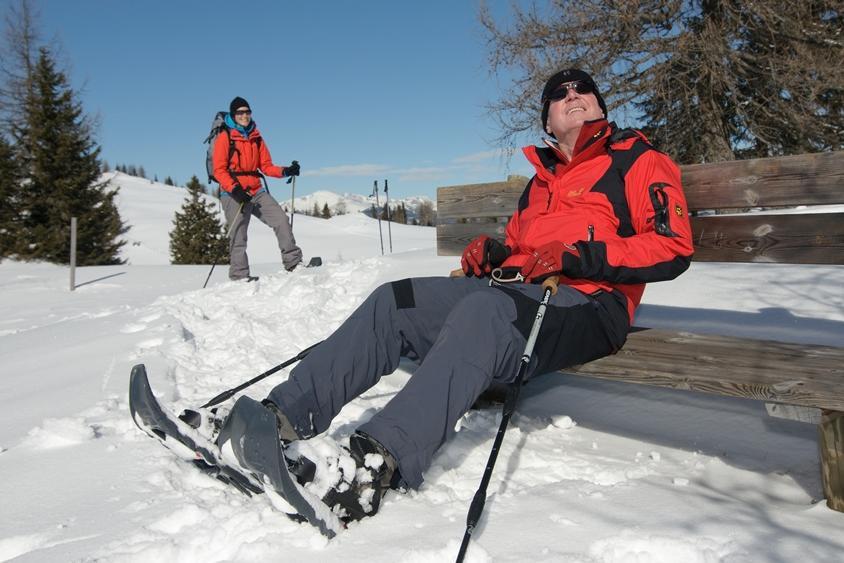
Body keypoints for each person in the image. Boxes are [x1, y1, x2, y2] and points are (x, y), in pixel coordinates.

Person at [215, 69, 695, 522]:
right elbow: (524, 248)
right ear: (547, 120)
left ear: (600, 107)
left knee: (484, 312)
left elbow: (673, 245)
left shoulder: (637, 159)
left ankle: (375, 464)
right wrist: (496, 253)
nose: (572, 95)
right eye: (560, 93)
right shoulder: (541, 182)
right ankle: (281, 416)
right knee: (393, 301)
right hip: (521, 297)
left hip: (590, 305)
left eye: (582, 90)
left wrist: (578, 255)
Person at [214, 96, 303, 280]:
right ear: (233, 114)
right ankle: (239, 276)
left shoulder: (256, 137)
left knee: (281, 220)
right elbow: (219, 170)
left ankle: (293, 262)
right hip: (234, 193)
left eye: (247, 112)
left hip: (256, 190)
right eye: (240, 112)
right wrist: (235, 189)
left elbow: (266, 166)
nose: (244, 115)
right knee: (239, 235)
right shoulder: (225, 137)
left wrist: (286, 170)